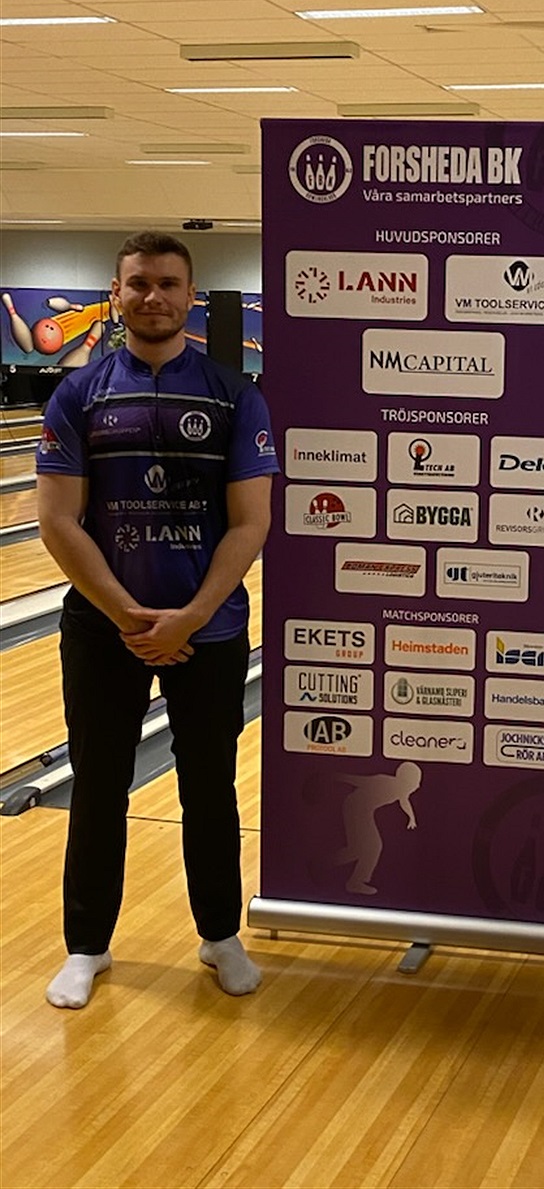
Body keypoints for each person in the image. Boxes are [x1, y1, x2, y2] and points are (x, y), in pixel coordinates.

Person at [36, 232, 277, 1009]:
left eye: (168, 283)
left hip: (208, 630)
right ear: (116, 293)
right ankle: (87, 946)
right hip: (103, 629)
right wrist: (127, 614)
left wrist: (190, 617)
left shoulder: (234, 396)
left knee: (209, 788)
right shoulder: (79, 395)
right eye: (138, 282)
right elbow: (57, 520)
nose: (152, 296)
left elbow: (251, 522)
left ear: (190, 295)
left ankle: (220, 935)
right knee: (99, 786)